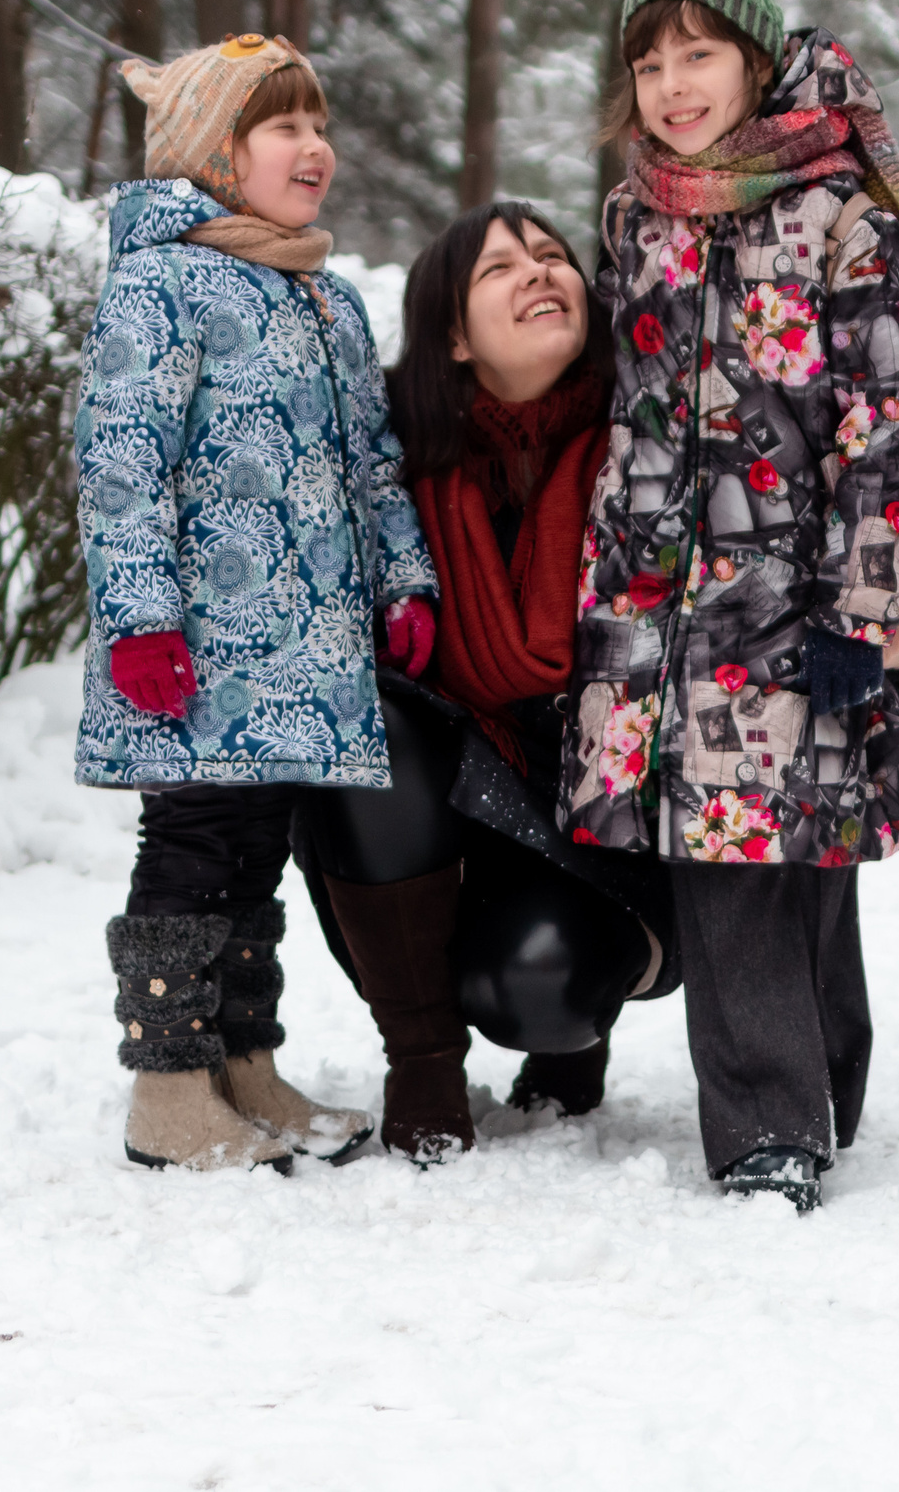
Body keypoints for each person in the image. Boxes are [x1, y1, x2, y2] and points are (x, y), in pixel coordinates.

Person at [565, 0, 899, 1212]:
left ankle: (798, 1103)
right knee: (726, 855)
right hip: (657, 595)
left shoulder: (839, 217)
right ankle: (782, 1106)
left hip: (787, 588)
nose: (671, 86)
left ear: (755, 58)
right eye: (648, 61)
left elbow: (889, 415)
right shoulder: (635, 217)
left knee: (796, 849)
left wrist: (864, 599)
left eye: (697, 54)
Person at [75, 33, 439, 1173]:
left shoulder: (326, 300)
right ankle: (168, 1086)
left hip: (300, 652)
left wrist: (405, 579)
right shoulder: (161, 282)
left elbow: (371, 461)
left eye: (318, 126)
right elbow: (122, 454)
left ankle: (243, 1063)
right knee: (190, 845)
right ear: (213, 155)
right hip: (193, 645)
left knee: (254, 855)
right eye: (283, 126)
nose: (314, 147)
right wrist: (139, 616)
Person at [295, 203, 676, 1165]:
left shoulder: (656, 446)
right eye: (501, 268)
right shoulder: (391, 474)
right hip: (445, 817)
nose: (540, 273)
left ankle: (573, 1027)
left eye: (552, 257)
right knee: (372, 716)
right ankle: (422, 1063)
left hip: (614, 822)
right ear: (455, 336)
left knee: (541, 985)